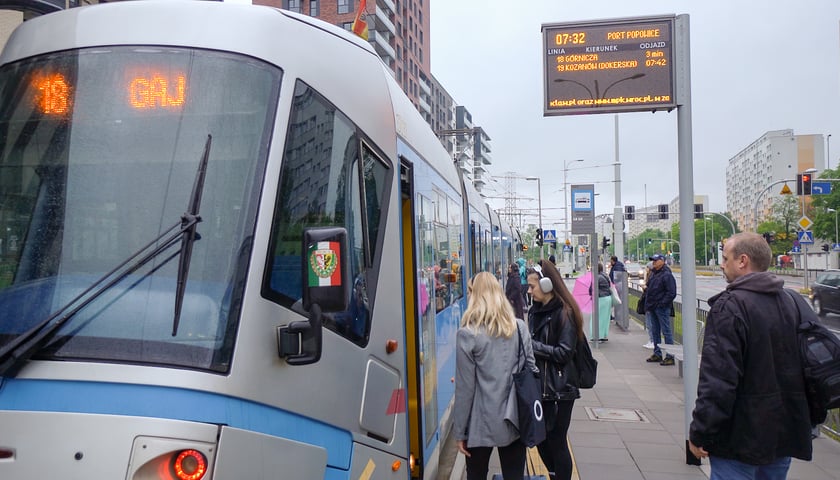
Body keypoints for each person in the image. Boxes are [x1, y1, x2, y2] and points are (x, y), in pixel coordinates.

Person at [689, 232, 812, 479]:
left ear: (742, 260)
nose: (722, 264)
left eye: (725, 258)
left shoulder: (729, 307)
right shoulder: (792, 302)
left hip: (739, 440)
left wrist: (701, 431)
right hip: (782, 433)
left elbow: (718, 382)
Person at [453, 272, 537, 480]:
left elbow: (465, 389)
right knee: (514, 475)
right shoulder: (519, 327)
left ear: (474, 295)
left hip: (480, 422)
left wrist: (460, 432)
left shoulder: (468, 334)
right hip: (515, 417)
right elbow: (532, 369)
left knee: (477, 474)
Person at [527, 259, 584, 480]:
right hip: (539, 386)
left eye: (532, 286)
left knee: (557, 440)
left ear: (548, 285)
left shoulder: (564, 313)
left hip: (559, 389)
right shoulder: (535, 311)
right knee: (541, 439)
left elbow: (564, 353)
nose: (529, 291)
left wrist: (532, 346)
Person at [644, 253, 677, 366]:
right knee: (655, 331)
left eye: (655, 260)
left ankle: (670, 356)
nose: (653, 262)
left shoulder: (666, 275)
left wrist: (662, 304)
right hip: (653, 306)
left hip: (661, 308)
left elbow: (671, 292)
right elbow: (650, 287)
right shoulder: (654, 273)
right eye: (653, 260)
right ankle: (657, 353)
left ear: (662, 261)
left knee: (666, 331)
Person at [589, 263, 611, 342]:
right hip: (607, 298)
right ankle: (603, 335)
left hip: (600, 299)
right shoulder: (604, 275)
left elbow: (591, 289)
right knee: (605, 318)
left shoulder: (597, 277)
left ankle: (596, 336)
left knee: (596, 318)